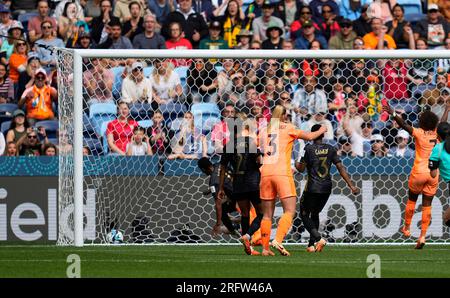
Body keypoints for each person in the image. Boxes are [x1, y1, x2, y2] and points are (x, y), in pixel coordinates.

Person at [258, 105, 327, 256]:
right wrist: (322, 130)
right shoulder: (288, 127)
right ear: (283, 116)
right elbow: (309, 137)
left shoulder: (263, 131)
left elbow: (259, 150)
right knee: (289, 211)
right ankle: (277, 240)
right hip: (282, 172)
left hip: (265, 172)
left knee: (266, 215)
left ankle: (265, 249)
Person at [383, 103, 441, 249]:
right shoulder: (438, 134)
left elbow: (403, 125)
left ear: (422, 122)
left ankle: (407, 228)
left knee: (412, 200)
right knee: (427, 205)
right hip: (433, 173)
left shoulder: (419, 133)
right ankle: (422, 236)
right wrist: (446, 109)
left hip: (419, 172)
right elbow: (443, 122)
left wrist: (393, 113)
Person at [296, 124, 359, 252]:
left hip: (312, 187)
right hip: (326, 187)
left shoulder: (308, 149)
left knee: (304, 213)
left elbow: (301, 169)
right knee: (315, 213)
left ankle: (319, 239)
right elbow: (340, 168)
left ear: (312, 135)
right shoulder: (331, 149)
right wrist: (351, 186)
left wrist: (298, 162)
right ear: (323, 134)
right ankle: (311, 245)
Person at [218, 113, 263, 256]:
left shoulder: (228, 146)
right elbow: (259, 161)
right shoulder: (250, 142)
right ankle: (248, 235)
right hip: (252, 182)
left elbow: (223, 169)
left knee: (244, 213)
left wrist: (220, 187)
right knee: (262, 213)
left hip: (238, 183)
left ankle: (247, 247)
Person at [197, 157, 239, 237]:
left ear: (203, 169)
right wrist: (210, 190)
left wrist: (218, 223)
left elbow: (218, 203)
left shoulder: (213, 182)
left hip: (240, 199)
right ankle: (235, 223)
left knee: (221, 209)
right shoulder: (220, 165)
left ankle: (233, 230)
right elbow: (225, 180)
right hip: (245, 190)